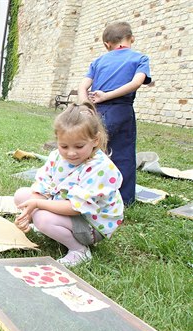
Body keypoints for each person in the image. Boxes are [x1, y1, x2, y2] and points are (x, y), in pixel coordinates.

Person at [13, 102, 124, 267]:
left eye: (79, 146)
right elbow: (43, 184)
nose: (71, 153)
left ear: (95, 140)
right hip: (66, 206)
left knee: (42, 218)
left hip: (91, 223)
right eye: (64, 146)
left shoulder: (101, 168)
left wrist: (36, 206)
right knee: (21, 195)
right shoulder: (57, 157)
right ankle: (51, 227)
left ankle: (79, 250)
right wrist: (29, 212)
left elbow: (75, 207)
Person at [78, 21, 151, 205]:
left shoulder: (98, 61)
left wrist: (86, 106)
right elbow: (136, 83)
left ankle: (88, 191)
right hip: (122, 110)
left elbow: (83, 86)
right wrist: (107, 96)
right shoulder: (140, 58)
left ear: (106, 44)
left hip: (96, 112)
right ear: (131, 39)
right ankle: (123, 199)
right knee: (123, 153)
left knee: (92, 151)